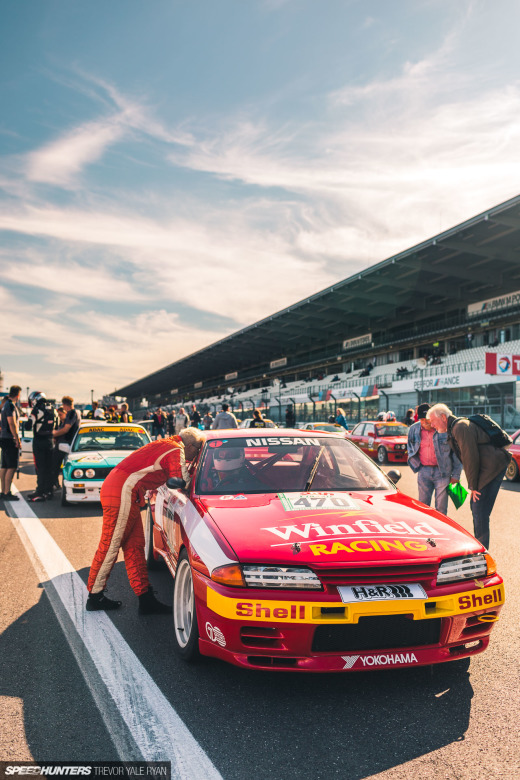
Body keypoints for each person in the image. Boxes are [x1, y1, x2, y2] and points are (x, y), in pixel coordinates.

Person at [86, 428, 205, 612]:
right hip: (123, 490)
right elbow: (182, 480)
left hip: (122, 488)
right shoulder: (176, 449)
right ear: (189, 445)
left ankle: (145, 598)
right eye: (197, 450)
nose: (196, 455)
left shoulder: (166, 443)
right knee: (111, 543)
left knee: (135, 546)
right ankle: (94, 595)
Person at [427, 403, 510, 548]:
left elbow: (470, 456)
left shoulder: (460, 427)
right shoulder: (454, 428)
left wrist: (473, 486)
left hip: (492, 467)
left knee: (479, 509)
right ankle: (481, 545)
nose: (432, 425)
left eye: (433, 421)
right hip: (488, 467)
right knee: (477, 509)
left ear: (442, 417)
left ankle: (482, 550)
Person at [407, 403, 462, 516]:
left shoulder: (443, 429)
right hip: (423, 471)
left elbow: (456, 454)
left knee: (441, 509)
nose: (426, 422)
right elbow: (410, 447)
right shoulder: (414, 429)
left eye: (428, 419)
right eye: (422, 419)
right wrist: (417, 466)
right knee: (423, 506)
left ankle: (440, 532)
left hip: (442, 472)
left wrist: (456, 475)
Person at [27, 392, 58, 502]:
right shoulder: (52, 409)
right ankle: (48, 491)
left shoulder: (36, 410)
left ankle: (39, 492)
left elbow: (28, 426)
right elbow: (56, 425)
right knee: (49, 467)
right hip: (50, 441)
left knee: (40, 468)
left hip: (39, 441)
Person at [0, 385, 22, 501]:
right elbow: (12, 423)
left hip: (4, 438)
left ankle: (3, 491)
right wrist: (17, 439)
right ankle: (7, 492)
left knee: (4, 465)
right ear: (18, 395)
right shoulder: (10, 405)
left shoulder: (5, 405)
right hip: (9, 438)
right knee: (11, 466)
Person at [52, 397, 81, 482]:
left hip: (65, 443)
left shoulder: (71, 413)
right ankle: (55, 483)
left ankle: (54, 484)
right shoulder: (77, 412)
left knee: (54, 465)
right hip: (68, 444)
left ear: (64, 405)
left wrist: (53, 434)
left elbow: (66, 429)